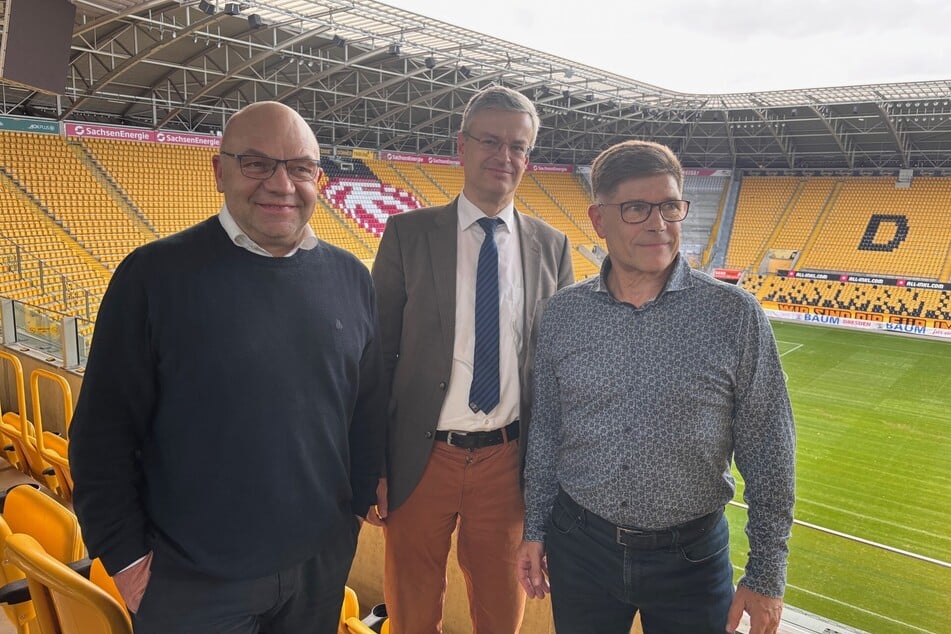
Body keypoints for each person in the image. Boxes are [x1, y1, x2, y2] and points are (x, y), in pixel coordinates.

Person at [68, 101, 386, 634]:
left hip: (317, 573)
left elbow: (366, 409)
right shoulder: (152, 277)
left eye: (300, 167)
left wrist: (348, 521)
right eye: (257, 163)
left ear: (320, 180)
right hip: (191, 585)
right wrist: (127, 563)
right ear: (220, 172)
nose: (281, 184)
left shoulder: (351, 277)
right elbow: (101, 434)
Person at [516, 139, 796, 634]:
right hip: (579, 547)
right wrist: (535, 529)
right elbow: (546, 433)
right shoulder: (564, 313)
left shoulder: (733, 315)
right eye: (636, 208)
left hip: (692, 560)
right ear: (599, 219)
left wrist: (767, 574)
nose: (658, 224)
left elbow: (770, 448)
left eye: (669, 205)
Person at [367, 85, 574, 633]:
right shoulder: (407, 235)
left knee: (501, 613)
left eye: (518, 147)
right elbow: (376, 357)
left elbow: (557, 374)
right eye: (490, 140)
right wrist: (374, 465)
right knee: (411, 611)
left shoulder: (551, 246)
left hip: (507, 464)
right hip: (419, 456)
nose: (504, 157)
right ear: (461, 146)